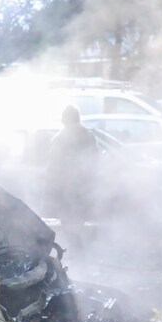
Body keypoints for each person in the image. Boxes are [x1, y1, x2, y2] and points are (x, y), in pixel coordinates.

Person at [45, 105, 99, 253]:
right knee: (78, 221)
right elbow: (95, 161)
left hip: (67, 188)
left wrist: (51, 185)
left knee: (68, 221)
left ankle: (77, 251)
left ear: (65, 119)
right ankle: (80, 251)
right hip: (84, 187)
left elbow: (53, 166)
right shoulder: (89, 136)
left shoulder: (61, 138)